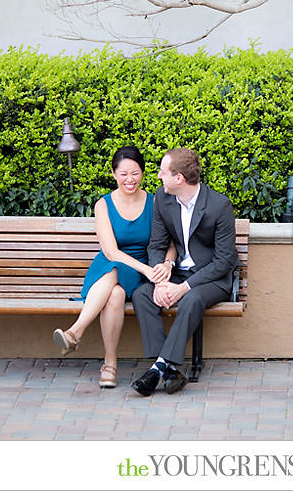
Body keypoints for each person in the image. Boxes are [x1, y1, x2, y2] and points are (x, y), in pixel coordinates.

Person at [52, 146, 176, 388]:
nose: (130, 179)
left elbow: (172, 243)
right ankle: (109, 364)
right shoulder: (103, 204)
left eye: (135, 173)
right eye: (123, 174)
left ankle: (76, 333)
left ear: (143, 173)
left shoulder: (154, 202)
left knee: (117, 277)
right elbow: (111, 252)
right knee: (115, 292)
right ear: (113, 174)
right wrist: (146, 270)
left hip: (140, 269)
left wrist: (165, 263)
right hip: (111, 265)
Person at [130, 148, 237, 396]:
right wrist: (159, 281)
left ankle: (156, 368)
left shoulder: (219, 205)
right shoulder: (163, 199)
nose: (158, 176)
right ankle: (167, 369)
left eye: (162, 172)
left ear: (179, 178)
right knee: (141, 294)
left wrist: (182, 288)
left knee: (191, 299)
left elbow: (223, 261)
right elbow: (157, 245)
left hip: (211, 278)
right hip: (177, 273)